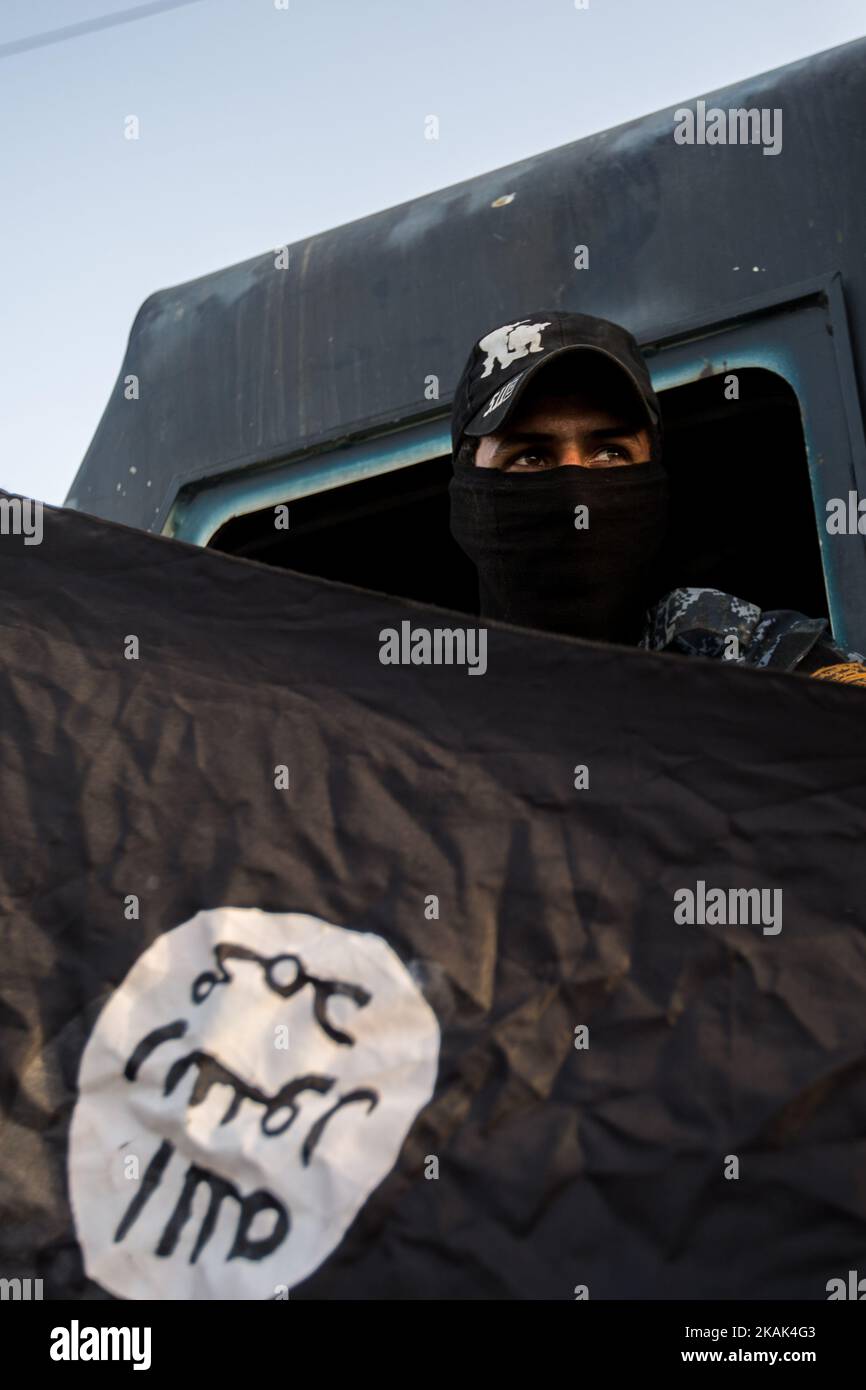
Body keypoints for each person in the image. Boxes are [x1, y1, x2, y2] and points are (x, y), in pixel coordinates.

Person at [448, 310, 866, 685]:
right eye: (531, 457)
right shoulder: (424, 705)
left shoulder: (724, 647)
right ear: (468, 493)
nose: (577, 495)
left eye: (610, 453)